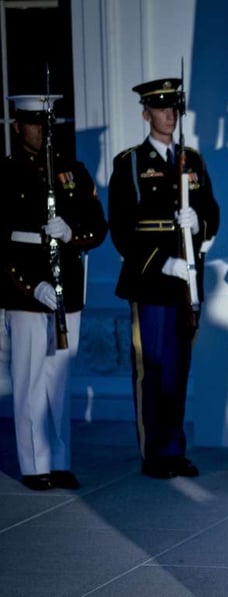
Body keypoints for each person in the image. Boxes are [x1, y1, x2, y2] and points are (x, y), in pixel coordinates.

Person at [107, 78, 220, 479]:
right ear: (146, 114)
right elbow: (122, 229)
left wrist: (199, 223)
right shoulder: (130, 163)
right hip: (150, 281)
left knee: (178, 369)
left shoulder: (192, 160)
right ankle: (153, 453)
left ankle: (174, 450)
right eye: (160, 108)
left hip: (185, 282)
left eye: (173, 107)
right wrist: (161, 263)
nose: (169, 114)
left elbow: (212, 212)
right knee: (152, 369)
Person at [1, 94, 107, 491]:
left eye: (47, 123)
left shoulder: (72, 170)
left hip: (68, 288)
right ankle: (35, 464)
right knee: (29, 379)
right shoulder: (6, 173)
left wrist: (71, 232)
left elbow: (97, 227)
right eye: (33, 122)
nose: (41, 131)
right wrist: (31, 285)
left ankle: (59, 460)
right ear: (17, 126)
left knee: (59, 381)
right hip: (26, 292)